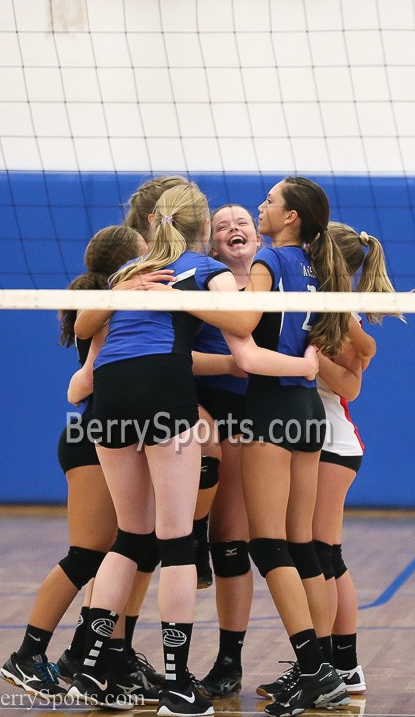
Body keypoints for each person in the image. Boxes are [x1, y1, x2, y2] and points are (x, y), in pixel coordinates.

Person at [67, 182, 319, 716]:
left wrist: (124, 292)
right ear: (203, 229)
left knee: (129, 539)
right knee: (177, 541)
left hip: (110, 399)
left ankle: (86, 668)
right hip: (165, 392)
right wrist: (187, 298)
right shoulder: (204, 271)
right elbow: (246, 323)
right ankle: (179, 687)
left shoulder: (127, 273)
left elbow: (84, 324)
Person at [0, 225, 159, 704]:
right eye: (143, 253)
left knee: (121, 552)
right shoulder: (110, 307)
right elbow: (82, 384)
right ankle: (27, 655)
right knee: (88, 554)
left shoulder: (112, 303)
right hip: (93, 439)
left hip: (105, 438)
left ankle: (96, 659)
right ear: (126, 264)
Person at [233, 177, 352, 716]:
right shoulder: (318, 266)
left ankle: (311, 670)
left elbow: (244, 320)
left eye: (270, 201)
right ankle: (325, 667)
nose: (261, 206)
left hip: (273, 404)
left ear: (291, 218)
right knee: (306, 546)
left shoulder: (270, 262)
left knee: (268, 544)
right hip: (308, 410)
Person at [312, 222, 402, 696]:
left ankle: (338, 665)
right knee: (322, 552)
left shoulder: (339, 311)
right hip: (317, 440)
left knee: (323, 554)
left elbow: (350, 384)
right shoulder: (323, 303)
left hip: (333, 442)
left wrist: (312, 358)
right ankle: (338, 665)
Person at [192, 204, 260, 698]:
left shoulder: (274, 284)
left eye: (244, 224)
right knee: (158, 538)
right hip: (193, 412)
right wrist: (230, 365)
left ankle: (228, 661)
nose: (234, 229)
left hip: (254, 416)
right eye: (223, 226)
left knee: (232, 541)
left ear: (258, 240)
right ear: (213, 245)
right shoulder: (199, 285)